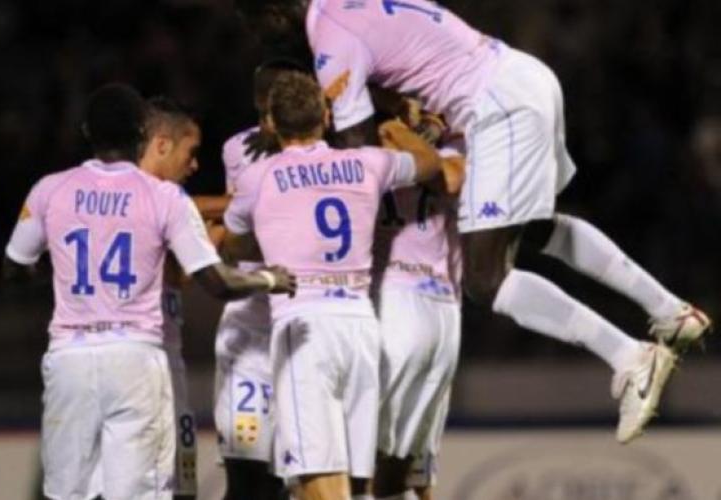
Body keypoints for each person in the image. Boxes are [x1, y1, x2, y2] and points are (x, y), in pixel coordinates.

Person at [236, 0, 711, 444]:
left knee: (485, 278)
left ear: (274, 13)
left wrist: (297, 147)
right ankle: (670, 311)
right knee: (534, 229)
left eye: (255, 25)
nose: (259, 39)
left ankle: (630, 356)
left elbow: (358, 148)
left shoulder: (329, 35)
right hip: (522, 75)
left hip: (497, 106)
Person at [3, 83, 295, 500]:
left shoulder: (50, 189)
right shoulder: (161, 197)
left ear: (86, 131)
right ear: (143, 133)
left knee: (67, 493)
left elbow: (14, 268)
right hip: (135, 357)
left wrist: (61, 270)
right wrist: (270, 279)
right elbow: (216, 282)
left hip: (70, 357)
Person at [223, 71, 458, 500]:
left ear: (271, 123)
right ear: (327, 117)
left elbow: (235, 243)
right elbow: (429, 163)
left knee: (316, 477)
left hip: (304, 326)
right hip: (359, 325)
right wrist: (403, 125)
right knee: (356, 480)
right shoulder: (369, 163)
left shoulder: (259, 177)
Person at [214, 58, 307, 500]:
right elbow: (239, 227)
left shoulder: (327, 154)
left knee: (297, 478)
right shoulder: (240, 149)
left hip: (304, 326)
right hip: (251, 324)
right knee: (247, 473)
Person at [372, 136, 465, 500]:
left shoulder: (363, 151)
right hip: (418, 302)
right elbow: (453, 177)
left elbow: (454, 178)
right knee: (397, 464)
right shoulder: (452, 149)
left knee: (389, 461)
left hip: (411, 303)